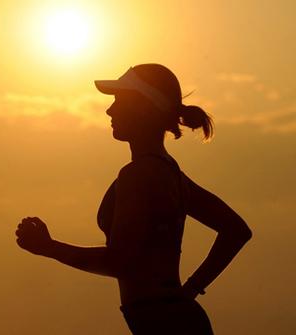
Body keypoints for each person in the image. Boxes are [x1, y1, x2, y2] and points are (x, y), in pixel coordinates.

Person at [14, 64, 252, 334]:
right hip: (174, 318)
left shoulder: (138, 174)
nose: (109, 110)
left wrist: (49, 248)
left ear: (144, 108)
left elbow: (120, 262)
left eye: (119, 101)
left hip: (163, 323)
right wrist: (191, 289)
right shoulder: (169, 172)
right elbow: (236, 230)